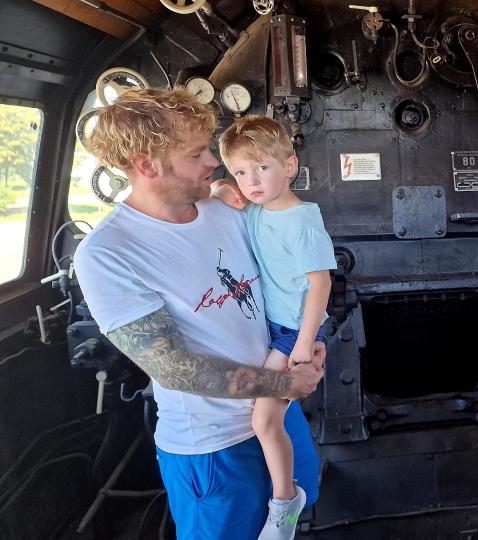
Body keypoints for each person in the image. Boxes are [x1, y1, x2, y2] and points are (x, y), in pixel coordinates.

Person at [72, 88, 324, 540]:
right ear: (147, 165)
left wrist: (303, 341)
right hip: (212, 448)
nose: (214, 162)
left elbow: (288, 278)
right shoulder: (108, 253)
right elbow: (175, 369)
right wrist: (287, 382)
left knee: (298, 519)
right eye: (196, 154)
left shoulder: (226, 209)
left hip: (278, 413)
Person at [212, 116, 337, 540]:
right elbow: (227, 195)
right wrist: (222, 188)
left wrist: (304, 342)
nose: (251, 180)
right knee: (265, 417)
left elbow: (321, 283)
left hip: (292, 330)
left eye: (262, 168)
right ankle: (285, 496)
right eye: (241, 172)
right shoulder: (257, 210)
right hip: (272, 325)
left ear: (290, 166)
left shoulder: (301, 221)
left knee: (265, 420)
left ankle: (285, 503)